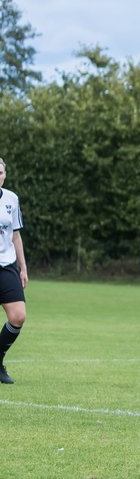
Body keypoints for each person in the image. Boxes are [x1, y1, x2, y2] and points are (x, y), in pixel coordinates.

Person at [0, 157, 29, 385]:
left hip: (7, 265)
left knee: (18, 316)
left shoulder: (12, 199)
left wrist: (23, 267)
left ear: (5, 174)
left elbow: (16, 235)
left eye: (0, 172)